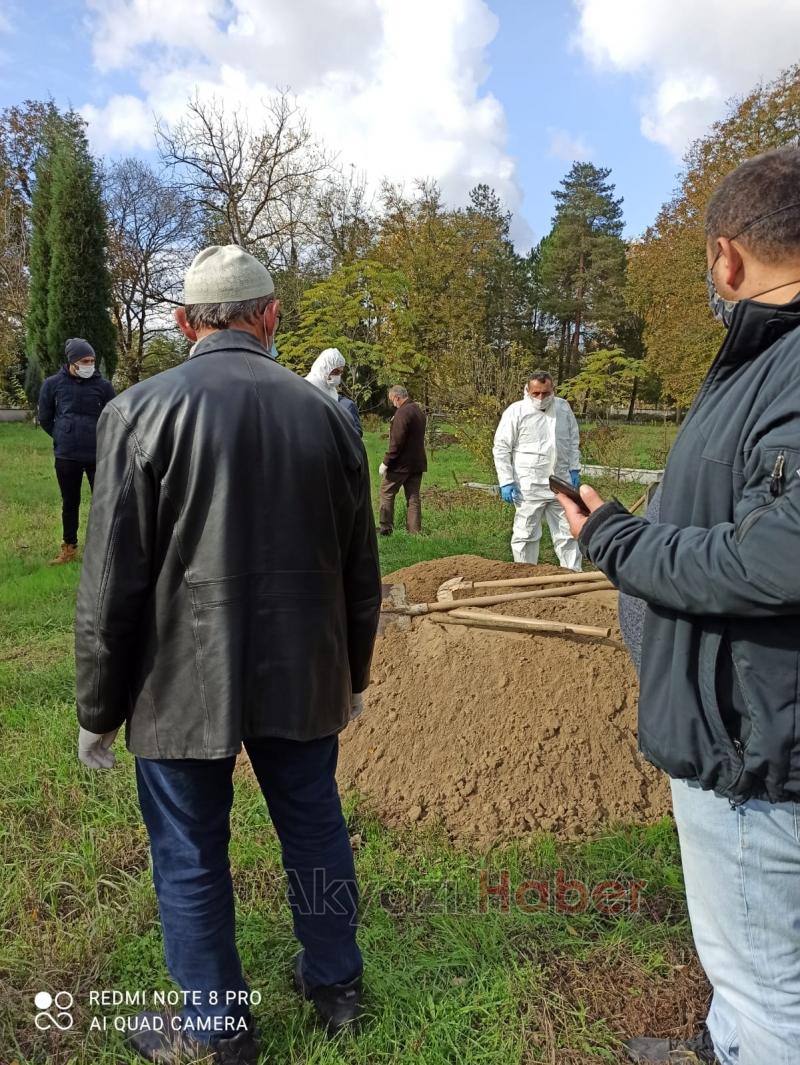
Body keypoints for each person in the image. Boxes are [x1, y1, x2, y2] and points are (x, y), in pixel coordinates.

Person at [74, 245, 382, 1065]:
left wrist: (97, 707)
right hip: (304, 672)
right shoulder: (329, 416)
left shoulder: (137, 412)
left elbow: (110, 580)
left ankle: (217, 1030)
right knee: (314, 826)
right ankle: (337, 987)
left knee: (189, 850)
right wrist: (354, 673)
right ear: (271, 316)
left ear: (184, 323)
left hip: (178, 681)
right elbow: (361, 567)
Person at [557, 147, 800, 1065]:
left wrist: (618, 541)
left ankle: (750, 1040)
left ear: (726, 258)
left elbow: (778, 555)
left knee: (772, 989)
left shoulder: (788, 364)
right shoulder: (762, 361)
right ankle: (726, 1038)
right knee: (756, 963)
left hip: (757, 750)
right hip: (751, 724)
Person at [492, 372, 582, 571]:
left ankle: (572, 575)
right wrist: (506, 481)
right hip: (528, 485)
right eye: (536, 393)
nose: (541, 398)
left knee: (567, 532)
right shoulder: (516, 411)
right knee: (526, 534)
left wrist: (574, 468)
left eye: (546, 393)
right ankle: (525, 575)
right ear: (527, 390)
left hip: (561, 482)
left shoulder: (563, 408)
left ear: (553, 390)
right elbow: (502, 447)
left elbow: (573, 440)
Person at [37, 338, 115, 565]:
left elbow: (114, 417)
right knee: (70, 502)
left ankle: (105, 548)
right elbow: (45, 417)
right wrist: (62, 434)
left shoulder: (104, 386)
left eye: (92, 361)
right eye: (84, 361)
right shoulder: (52, 384)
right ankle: (69, 548)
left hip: (97, 455)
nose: (89, 365)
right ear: (72, 362)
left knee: (103, 502)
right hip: (67, 455)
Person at [378, 385, 427, 536]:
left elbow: (397, 441)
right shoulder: (418, 410)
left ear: (397, 397)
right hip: (416, 463)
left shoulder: (402, 412)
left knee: (387, 492)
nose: (393, 404)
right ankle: (414, 532)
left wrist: (386, 462)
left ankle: (386, 529)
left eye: (392, 400)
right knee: (413, 497)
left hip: (400, 465)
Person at [305, 346, 362, 435]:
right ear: (324, 368)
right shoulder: (304, 391)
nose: (338, 376)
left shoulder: (343, 403)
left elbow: (355, 435)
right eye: (336, 372)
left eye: (340, 372)